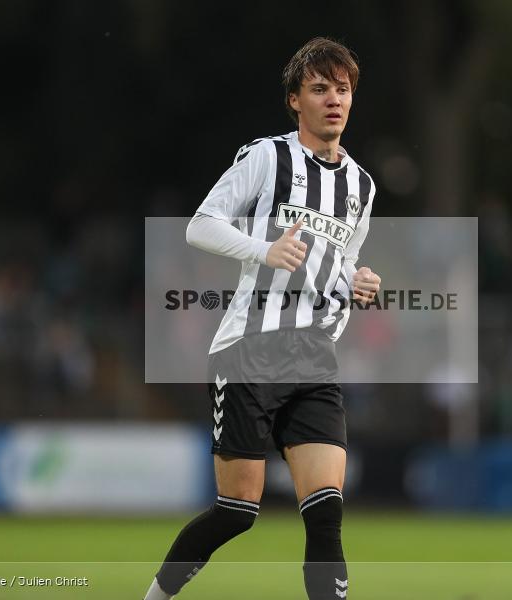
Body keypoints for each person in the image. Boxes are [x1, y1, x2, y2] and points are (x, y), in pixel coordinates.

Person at [143, 37, 380, 600]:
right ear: (295, 100)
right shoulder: (267, 158)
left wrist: (357, 283)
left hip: (314, 358)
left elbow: (333, 267)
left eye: (342, 90)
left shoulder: (362, 187)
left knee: (325, 512)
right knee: (237, 512)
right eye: (319, 88)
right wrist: (262, 250)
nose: (333, 100)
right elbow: (200, 225)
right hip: (250, 349)